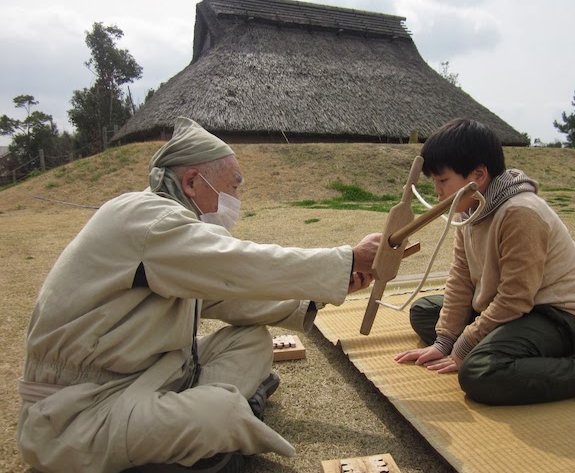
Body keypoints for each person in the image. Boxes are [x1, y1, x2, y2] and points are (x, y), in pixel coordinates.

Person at [17, 117, 380, 472]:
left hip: (154, 374)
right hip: (82, 409)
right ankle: (223, 421)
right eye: (234, 186)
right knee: (219, 417)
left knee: (251, 338)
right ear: (192, 181)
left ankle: (213, 421)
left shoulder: (171, 227)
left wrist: (314, 297)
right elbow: (238, 266)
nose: (236, 198)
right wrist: (346, 258)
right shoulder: (148, 218)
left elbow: (227, 296)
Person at [395, 118, 575, 405]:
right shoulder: (468, 211)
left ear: (478, 175)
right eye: (435, 182)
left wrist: (463, 347)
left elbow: (516, 298)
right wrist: (445, 341)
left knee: (479, 372)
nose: (437, 191)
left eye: (443, 181)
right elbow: (461, 278)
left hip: (555, 317)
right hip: (512, 309)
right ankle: (508, 347)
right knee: (423, 313)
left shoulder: (520, 212)